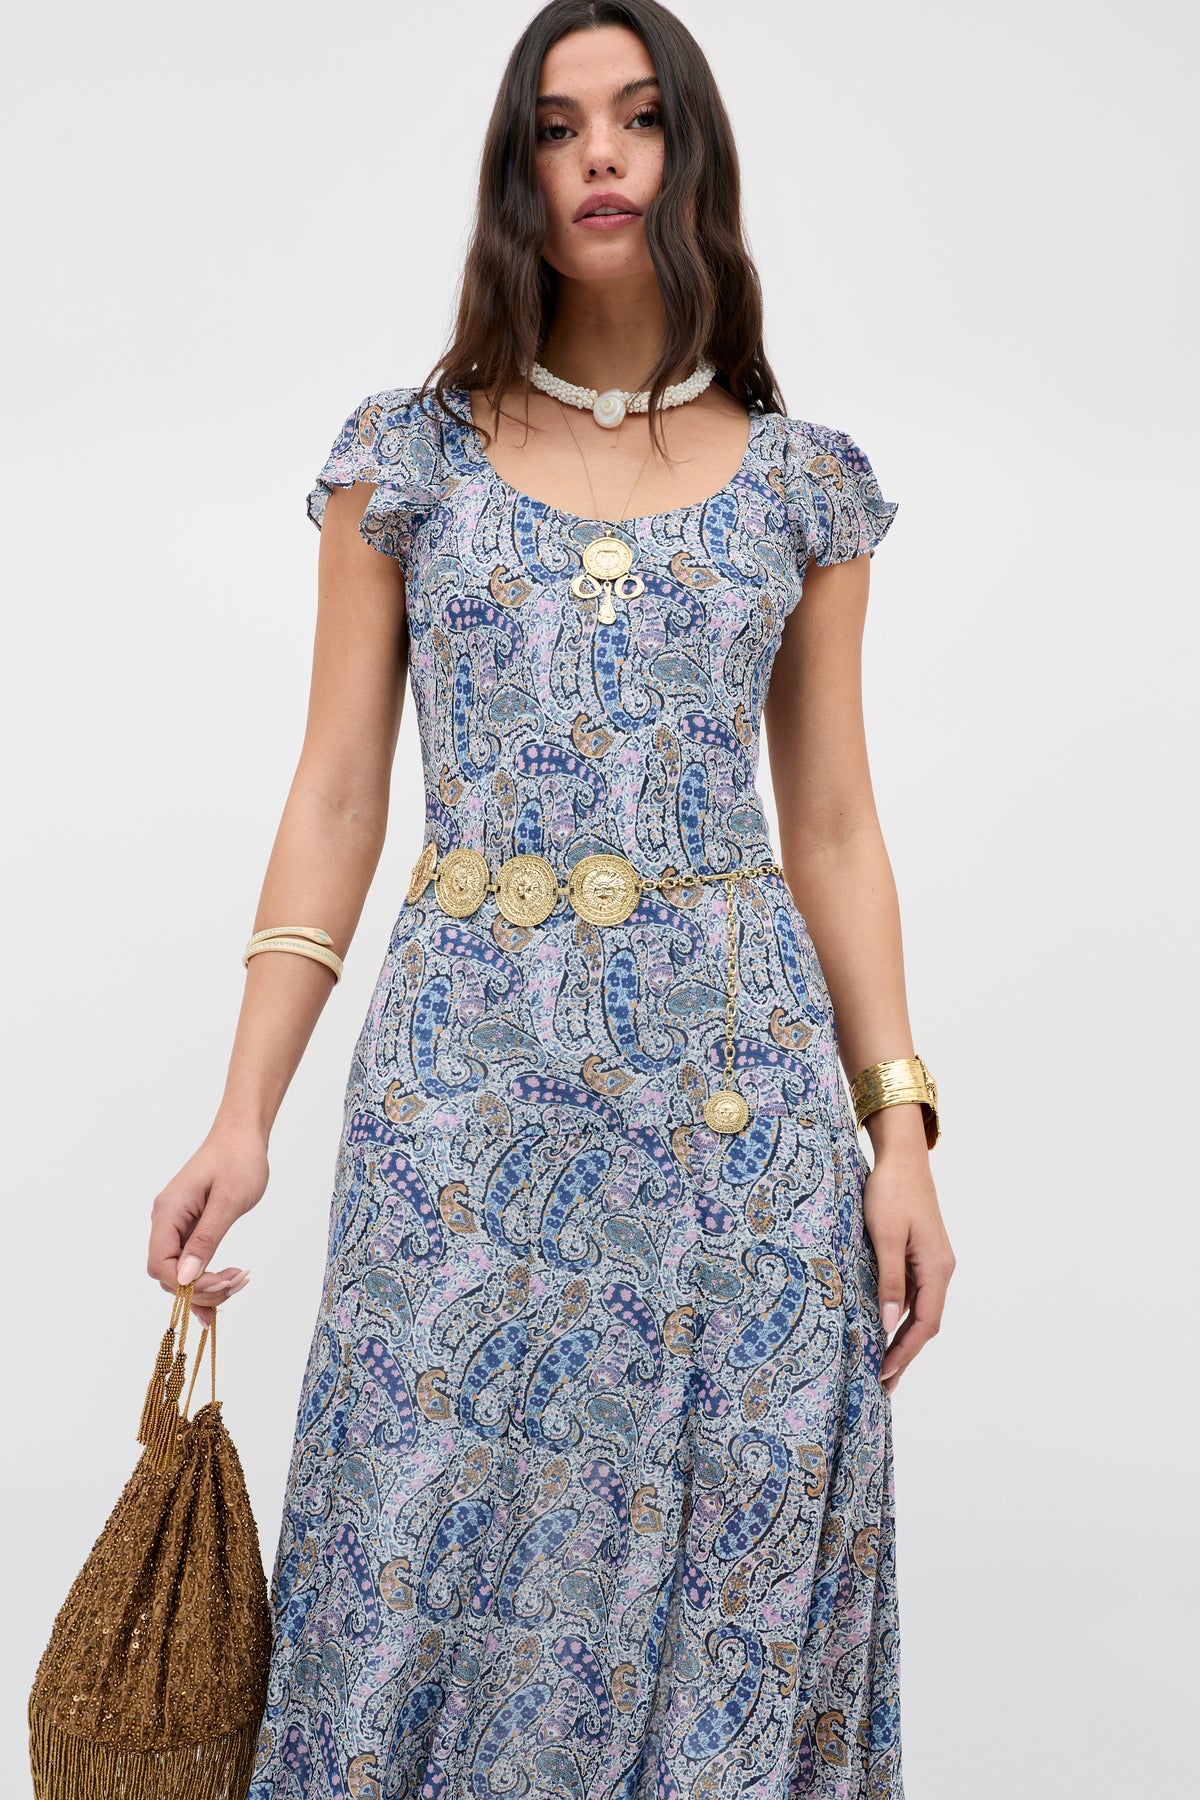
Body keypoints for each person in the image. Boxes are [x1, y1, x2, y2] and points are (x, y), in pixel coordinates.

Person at [146, 2, 955, 1794]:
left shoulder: (801, 483)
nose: (600, 154)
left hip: (729, 1133)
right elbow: (339, 794)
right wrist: (243, 1110)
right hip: (466, 1097)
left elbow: (830, 822)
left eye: (641, 118)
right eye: (558, 125)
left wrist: (900, 1130)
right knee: (416, 1556)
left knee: (720, 1579)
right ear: (517, 171)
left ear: (691, 160)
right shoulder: (405, 460)